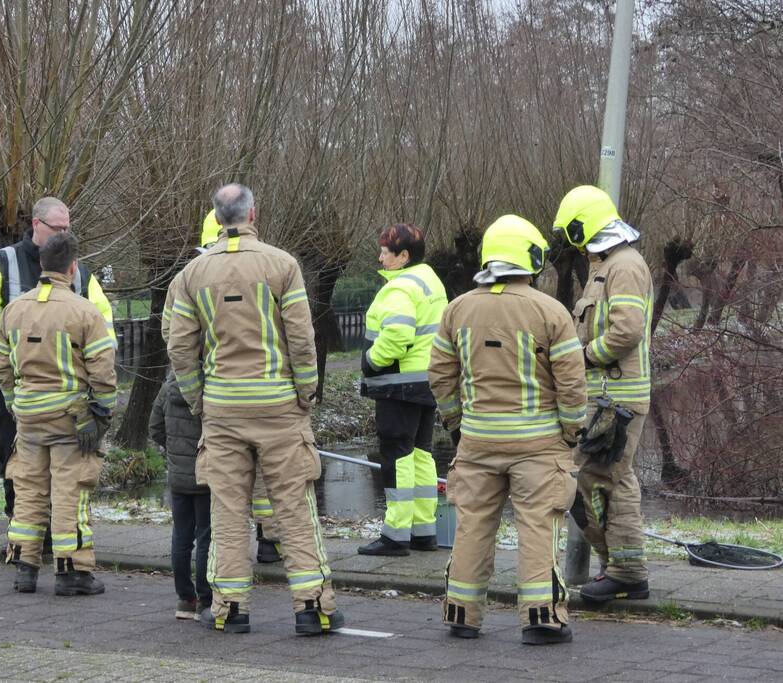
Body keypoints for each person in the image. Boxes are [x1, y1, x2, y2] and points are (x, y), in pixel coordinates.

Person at [167, 183, 342, 635]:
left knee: (226, 512)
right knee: (294, 509)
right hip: (279, 406)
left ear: (216, 217)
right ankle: (312, 607)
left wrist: (197, 399)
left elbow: (180, 347)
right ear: (252, 213)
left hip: (222, 409)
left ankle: (229, 609)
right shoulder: (283, 265)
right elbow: (302, 337)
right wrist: (306, 391)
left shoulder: (192, 274)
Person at [428, 215, 587, 645]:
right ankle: (541, 619)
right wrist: (572, 431)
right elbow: (572, 383)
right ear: (531, 257)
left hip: (478, 441)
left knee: (473, 526)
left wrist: (457, 423)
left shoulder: (457, 310)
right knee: (537, 527)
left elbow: (440, 376)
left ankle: (462, 614)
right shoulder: (550, 311)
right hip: (538, 446)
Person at [0, 197, 116, 521]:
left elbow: (104, 325)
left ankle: (48, 534)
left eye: (67, 227)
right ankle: (22, 524)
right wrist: (18, 366)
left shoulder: (80, 273)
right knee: (16, 457)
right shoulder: (1, 264)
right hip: (16, 386)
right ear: (36, 224)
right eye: (57, 228)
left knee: (65, 469)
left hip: (67, 391)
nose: (64, 233)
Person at [0, 231, 117, 596]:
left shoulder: (13, 310)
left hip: (29, 418)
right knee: (70, 492)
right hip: (71, 420)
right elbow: (103, 371)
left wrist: (17, 402)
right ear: (73, 268)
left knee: (28, 492)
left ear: (42, 266)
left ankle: (25, 569)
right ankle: (72, 572)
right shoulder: (84, 311)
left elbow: (1, 366)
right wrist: (101, 414)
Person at [161, 214, 283, 565]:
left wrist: (195, 387)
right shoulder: (268, 266)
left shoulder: (189, 277)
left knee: (224, 475)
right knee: (263, 469)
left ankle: (225, 560)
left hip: (215, 390)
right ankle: (269, 540)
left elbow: (173, 336)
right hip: (264, 385)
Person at [553, 185, 653, 603]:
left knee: (608, 479)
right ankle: (620, 569)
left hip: (617, 398)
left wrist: (584, 357)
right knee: (597, 479)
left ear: (585, 224)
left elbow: (626, 330)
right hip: (606, 396)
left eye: (571, 230)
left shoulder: (623, 266)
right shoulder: (609, 265)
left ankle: (627, 573)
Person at [358, 224, 448, 556]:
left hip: (398, 387)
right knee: (422, 456)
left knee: (396, 457)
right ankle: (424, 532)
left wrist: (370, 361)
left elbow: (397, 336)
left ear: (403, 256)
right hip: (426, 382)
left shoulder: (399, 289)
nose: (380, 257)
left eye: (385, 251)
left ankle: (395, 536)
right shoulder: (430, 280)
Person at [149, 371, 212, 620]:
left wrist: (174, 451)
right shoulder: (210, 385)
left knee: (181, 538)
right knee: (206, 537)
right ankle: (205, 599)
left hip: (177, 478)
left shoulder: (168, 388)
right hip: (206, 475)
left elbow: (154, 429)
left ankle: (185, 598)